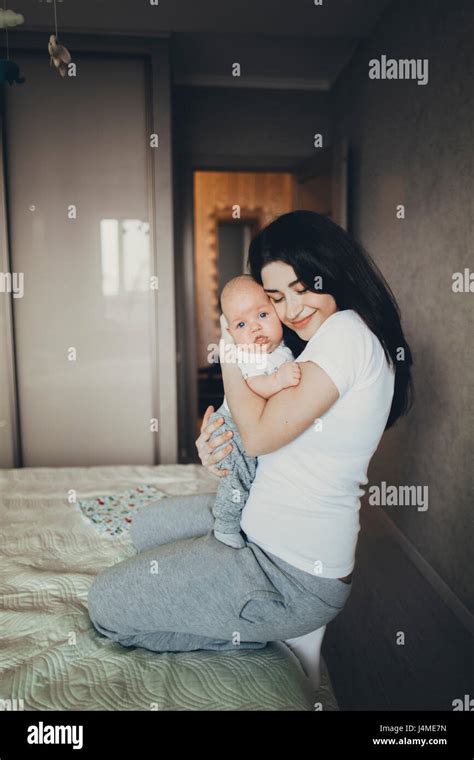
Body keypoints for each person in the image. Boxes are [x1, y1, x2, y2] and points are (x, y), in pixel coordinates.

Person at [87, 210, 413, 690]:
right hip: (255, 519)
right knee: (145, 527)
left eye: (303, 287)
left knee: (105, 606)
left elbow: (259, 433)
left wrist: (229, 352)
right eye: (276, 298)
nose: (292, 309)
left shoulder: (346, 334)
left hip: (288, 573)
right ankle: (240, 611)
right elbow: (256, 442)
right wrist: (216, 447)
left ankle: (265, 636)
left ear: (334, 271)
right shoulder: (312, 344)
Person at [209, 274, 300, 549]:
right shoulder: (248, 356)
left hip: (250, 425)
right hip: (232, 425)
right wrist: (278, 381)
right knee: (237, 476)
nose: (255, 328)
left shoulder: (281, 350)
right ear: (231, 334)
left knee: (248, 475)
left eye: (262, 314)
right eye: (241, 324)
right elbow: (253, 386)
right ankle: (225, 525)